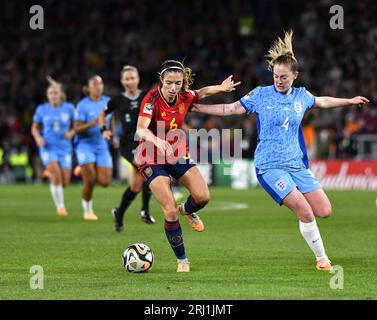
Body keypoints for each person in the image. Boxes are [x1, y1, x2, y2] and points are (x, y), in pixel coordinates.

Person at [191, 30, 369, 271]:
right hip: (269, 166)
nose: (279, 80)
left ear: (295, 76)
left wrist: (349, 101)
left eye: (284, 77)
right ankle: (322, 259)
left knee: (324, 210)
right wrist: (197, 108)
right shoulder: (261, 95)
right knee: (305, 212)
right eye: (276, 76)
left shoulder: (301, 96)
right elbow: (230, 109)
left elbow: (323, 101)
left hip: (295, 165)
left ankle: (310, 232)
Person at [135, 60, 240, 272]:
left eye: (178, 83)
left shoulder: (185, 96)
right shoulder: (151, 99)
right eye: (169, 83)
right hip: (151, 157)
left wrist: (220, 88)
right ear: (161, 81)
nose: (173, 88)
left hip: (177, 154)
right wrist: (157, 140)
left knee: (203, 197)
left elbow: (202, 92)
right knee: (169, 210)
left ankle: (188, 210)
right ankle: (182, 260)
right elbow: (141, 129)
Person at [99, 65, 156, 232]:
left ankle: (119, 213)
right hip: (127, 144)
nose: (130, 81)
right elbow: (103, 114)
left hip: (145, 141)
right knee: (148, 169)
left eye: (133, 78)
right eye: (127, 78)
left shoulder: (147, 95)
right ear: (122, 81)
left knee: (136, 186)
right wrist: (105, 130)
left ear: (138, 79)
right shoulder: (117, 100)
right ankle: (145, 210)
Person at [31, 76, 75, 217]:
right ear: (47, 96)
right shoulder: (42, 109)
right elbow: (34, 127)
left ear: (60, 95)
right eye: (50, 93)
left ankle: (50, 172)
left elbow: (77, 125)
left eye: (55, 93)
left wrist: (72, 132)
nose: (53, 96)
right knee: (56, 176)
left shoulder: (69, 108)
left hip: (64, 148)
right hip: (48, 146)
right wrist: (38, 138)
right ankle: (61, 207)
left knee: (65, 182)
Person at [74, 75, 112, 221]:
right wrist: (92, 123)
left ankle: (84, 167)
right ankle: (87, 211)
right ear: (88, 87)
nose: (98, 86)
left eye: (100, 83)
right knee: (89, 180)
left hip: (102, 146)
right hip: (85, 145)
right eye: (94, 84)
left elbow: (112, 119)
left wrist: (113, 135)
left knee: (105, 182)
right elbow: (76, 129)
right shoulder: (82, 105)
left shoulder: (107, 102)